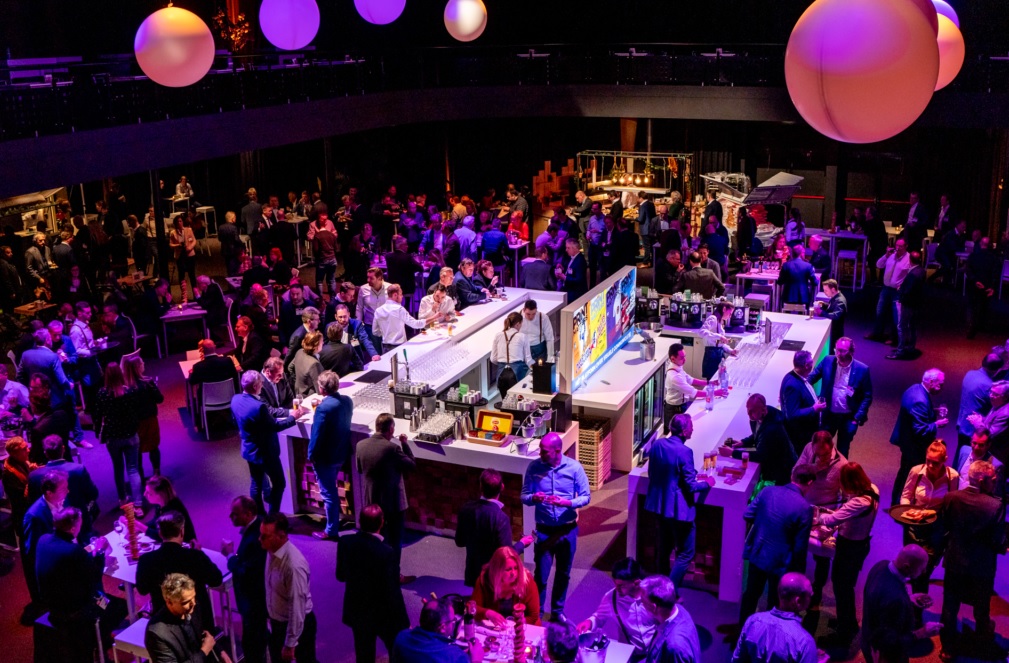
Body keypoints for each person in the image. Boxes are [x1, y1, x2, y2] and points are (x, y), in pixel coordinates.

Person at [937, 461, 1006, 660]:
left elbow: (944, 527)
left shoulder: (951, 497)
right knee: (981, 608)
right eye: (993, 480)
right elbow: (997, 541)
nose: (996, 483)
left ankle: (947, 649)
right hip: (981, 568)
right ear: (982, 481)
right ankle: (982, 647)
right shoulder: (995, 505)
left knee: (949, 606)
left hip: (954, 561)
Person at [521, 431, 591, 621]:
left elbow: (586, 496)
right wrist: (533, 498)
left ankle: (557, 612)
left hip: (567, 530)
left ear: (557, 451)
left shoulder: (575, 468)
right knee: (541, 575)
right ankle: (536, 613)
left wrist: (567, 503)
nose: (540, 454)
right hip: (544, 531)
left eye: (544, 451)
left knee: (563, 574)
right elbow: (524, 496)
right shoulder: (534, 467)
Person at [35, 507, 116, 663]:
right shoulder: (73, 551)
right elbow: (95, 575)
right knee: (111, 605)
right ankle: (99, 646)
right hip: (77, 609)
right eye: (80, 524)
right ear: (73, 528)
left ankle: (100, 643)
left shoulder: (43, 539)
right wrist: (100, 552)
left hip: (52, 604)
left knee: (97, 593)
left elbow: (68, 566)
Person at [738, 464, 815, 621]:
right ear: (810, 483)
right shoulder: (805, 508)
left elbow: (748, 514)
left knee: (751, 594)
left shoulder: (767, 491)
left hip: (758, 552)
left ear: (792, 476)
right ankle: (769, 631)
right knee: (775, 601)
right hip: (780, 562)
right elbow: (800, 548)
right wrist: (799, 574)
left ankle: (743, 629)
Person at [815, 463, 880, 645]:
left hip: (849, 548)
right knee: (847, 587)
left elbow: (830, 520)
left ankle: (843, 635)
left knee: (841, 588)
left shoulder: (859, 502)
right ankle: (849, 623)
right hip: (860, 545)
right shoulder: (873, 489)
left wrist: (816, 514)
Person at [645, 414, 713, 584]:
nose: (693, 429)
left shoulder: (658, 444)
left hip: (659, 506)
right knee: (686, 553)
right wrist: (708, 483)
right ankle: (670, 590)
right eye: (690, 427)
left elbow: (653, 473)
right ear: (684, 432)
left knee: (663, 549)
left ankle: (660, 587)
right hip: (678, 511)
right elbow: (691, 486)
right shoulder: (685, 452)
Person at [337, 504, 409, 663]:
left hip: (358, 611)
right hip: (382, 614)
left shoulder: (345, 542)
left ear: (360, 521)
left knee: (364, 655)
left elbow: (340, 576)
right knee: (395, 652)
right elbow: (392, 592)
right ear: (382, 522)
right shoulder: (387, 553)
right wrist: (404, 622)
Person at [898, 441, 959, 614]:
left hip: (936, 530)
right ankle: (913, 608)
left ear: (945, 460)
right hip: (914, 526)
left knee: (925, 570)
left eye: (936, 462)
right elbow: (906, 496)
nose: (931, 466)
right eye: (928, 461)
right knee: (912, 567)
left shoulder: (952, 476)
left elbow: (952, 503)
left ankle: (916, 609)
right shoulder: (916, 471)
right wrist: (909, 511)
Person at [136, 511, 223, 627]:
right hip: (199, 624)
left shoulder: (146, 560)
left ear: (160, 533)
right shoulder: (195, 557)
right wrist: (199, 554)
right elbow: (216, 579)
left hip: (165, 626)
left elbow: (142, 590)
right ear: (182, 531)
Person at [357, 413, 416, 580]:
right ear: (391, 429)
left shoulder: (360, 445)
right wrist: (405, 444)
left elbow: (360, 469)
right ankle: (394, 576)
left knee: (374, 540)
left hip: (371, 502)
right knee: (395, 542)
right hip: (393, 503)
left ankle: (376, 574)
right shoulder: (392, 449)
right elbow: (412, 465)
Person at [232, 371, 298, 514]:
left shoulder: (235, 400)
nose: (263, 385)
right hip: (266, 453)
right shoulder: (259, 407)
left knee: (256, 484)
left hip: (249, 450)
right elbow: (274, 426)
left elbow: (236, 421)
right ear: (255, 386)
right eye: (261, 383)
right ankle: (272, 516)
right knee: (279, 483)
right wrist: (293, 417)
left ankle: (259, 516)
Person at [455, 467, 533, 587]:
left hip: (473, 573)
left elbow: (459, 542)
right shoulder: (501, 518)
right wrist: (522, 543)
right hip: (493, 577)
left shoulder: (466, 508)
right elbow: (506, 556)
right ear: (502, 487)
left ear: (481, 486)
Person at [861, 545, 940, 663]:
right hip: (883, 655)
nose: (924, 571)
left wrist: (907, 598)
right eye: (921, 568)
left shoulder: (881, 565)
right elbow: (890, 643)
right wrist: (921, 633)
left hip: (867, 637)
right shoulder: (895, 599)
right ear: (907, 567)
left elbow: (880, 602)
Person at [261, 512, 318, 663]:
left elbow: (297, 607)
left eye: (265, 536)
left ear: (281, 536)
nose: (260, 539)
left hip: (298, 628)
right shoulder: (271, 550)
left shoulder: (293, 566)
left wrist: (290, 644)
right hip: (278, 624)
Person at [577, 557, 657, 659]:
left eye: (621, 586)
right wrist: (589, 622)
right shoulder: (611, 598)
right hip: (631, 655)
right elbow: (598, 617)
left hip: (655, 653)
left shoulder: (652, 594)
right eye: (615, 584)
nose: (617, 589)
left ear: (636, 583)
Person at [732, 572, 821, 663]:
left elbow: (737, 660)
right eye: (810, 594)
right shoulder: (805, 642)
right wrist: (812, 655)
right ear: (798, 601)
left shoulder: (753, 621)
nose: (811, 597)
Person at [889, 368, 948, 505]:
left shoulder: (914, 388)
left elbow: (915, 414)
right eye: (940, 384)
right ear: (931, 382)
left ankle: (896, 501)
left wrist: (933, 411)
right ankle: (899, 504)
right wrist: (937, 424)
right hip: (914, 447)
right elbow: (921, 430)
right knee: (910, 476)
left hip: (907, 442)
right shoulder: (920, 401)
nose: (942, 388)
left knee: (904, 472)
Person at [807, 337, 872, 458]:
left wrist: (856, 418)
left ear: (851, 351)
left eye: (843, 351)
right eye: (837, 350)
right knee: (822, 448)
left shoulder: (862, 370)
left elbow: (867, 396)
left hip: (848, 417)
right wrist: (798, 389)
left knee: (843, 451)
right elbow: (811, 378)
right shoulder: (828, 361)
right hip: (829, 415)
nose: (839, 354)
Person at [147, 573, 233, 663]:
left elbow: (205, 635)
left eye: (193, 597)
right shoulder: (157, 633)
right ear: (169, 602)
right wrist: (203, 652)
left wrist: (220, 652)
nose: (193, 603)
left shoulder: (192, 608)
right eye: (186, 602)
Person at [27, 435, 99, 543]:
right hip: (79, 525)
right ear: (63, 449)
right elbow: (93, 494)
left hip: (49, 529)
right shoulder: (78, 469)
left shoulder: (34, 476)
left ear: (45, 453)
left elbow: (33, 502)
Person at [309, 370, 354, 541]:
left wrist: (311, 454)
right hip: (341, 453)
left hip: (325, 458)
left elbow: (316, 435)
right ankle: (333, 523)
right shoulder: (347, 401)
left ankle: (331, 530)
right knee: (332, 492)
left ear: (322, 389)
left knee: (329, 494)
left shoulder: (323, 409)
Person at [222, 496, 268, 663]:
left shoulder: (254, 539)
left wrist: (230, 555)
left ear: (248, 514)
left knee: (252, 642)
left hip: (253, 600)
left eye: (235, 514)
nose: (230, 517)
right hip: (256, 597)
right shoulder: (258, 525)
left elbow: (244, 571)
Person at [95, 361, 144, 510]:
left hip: (113, 437)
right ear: (120, 373)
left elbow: (98, 415)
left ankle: (123, 501)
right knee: (133, 469)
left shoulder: (102, 394)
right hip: (130, 435)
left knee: (118, 468)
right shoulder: (129, 391)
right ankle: (138, 505)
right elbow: (136, 412)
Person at [21, 470, 67, 623]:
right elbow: (33, 551)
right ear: (49, 493)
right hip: (53, 571)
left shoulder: (61, 501)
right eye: (63, 489)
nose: (68, 491)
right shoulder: (34, 516)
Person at [726, 394, 796, 487]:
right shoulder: (760, 415)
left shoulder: (773, 428)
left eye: (752, 411)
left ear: (763, 410)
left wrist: (732, 453)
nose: (748, 414)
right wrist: (744, 442)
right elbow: (759, 433)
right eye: (748, 410)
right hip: (773, 464)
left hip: (781, 472)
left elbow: (759, 455)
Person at [390, 597, 481, 663]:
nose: (454, 623)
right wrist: (476, 660)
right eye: (453, 620)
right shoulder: (455, 656)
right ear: (442, 627)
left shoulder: (401, 637)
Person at [639, 575, 702, 663]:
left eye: (643, 601)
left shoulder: (675, 647)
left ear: (654, 607)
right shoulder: (679, 609)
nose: (641, 603)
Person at [472, 545, 541, 626]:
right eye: (508, 569)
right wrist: (487, 613)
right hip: (496, 627)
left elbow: (533, 615)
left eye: (516, 568)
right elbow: (472, 608)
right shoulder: (485, 579)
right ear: (497, 570)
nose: (513, 573)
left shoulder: (526, 581)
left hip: (522, 627)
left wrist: (518, 623)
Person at [122, 353, 164, 483]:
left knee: (137, 451)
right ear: (138, 367)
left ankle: (140, 477)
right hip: (150, 420)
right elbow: (160, 399)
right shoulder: (148, 383)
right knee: (153, 447)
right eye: (142, 363)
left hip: (135, 424)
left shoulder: (125, 388)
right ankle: (157, 474)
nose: (144, 364)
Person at [780, 350, 827, 455]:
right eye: (811, 363)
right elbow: (792, 414)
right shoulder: (792, 385)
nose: (813, 365)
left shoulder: (795, 376)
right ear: (806, 366)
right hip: (801, 436)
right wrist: (814, 409)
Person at [130, 475, 199, 545]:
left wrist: (140, 526)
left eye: (149, 493)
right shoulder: (160, 504)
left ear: (160, 495)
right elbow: (155, 521)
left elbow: (162, 536)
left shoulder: (172, 510)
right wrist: (139, 527)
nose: (144, 494)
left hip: (184, 545)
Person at [373, 283, 440, 353]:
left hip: (385, 348)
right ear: (395, 295)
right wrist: (434, 317)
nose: (402, 296)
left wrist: (386, 334)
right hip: (399, 347)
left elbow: (375, 331)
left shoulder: (378, 311)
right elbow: (415, 324)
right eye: (401, 294)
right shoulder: (399, 309)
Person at [956, 353, 1001, 456]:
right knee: (972, 460)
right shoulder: (990, 386)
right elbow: (996, 407)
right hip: (975, 430)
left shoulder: (969, 374)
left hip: (962, 424)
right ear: (997, 370)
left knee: (960, 456)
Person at [867, 238, 910, 344]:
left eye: (901, 246)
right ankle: (877, 333)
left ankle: (893, 337)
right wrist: (886, 255)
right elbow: (878, 265)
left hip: (897, 291)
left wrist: (904, 286)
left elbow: (910, 275)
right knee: (880, 311)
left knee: (896, 316)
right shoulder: (891, 255)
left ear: (906, 246)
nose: (898, 248)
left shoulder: (908, 259)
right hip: (886, 288)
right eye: (897, 245)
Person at [662, 343, 710, 434]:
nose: (684, 360)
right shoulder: (674, 376)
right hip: (674, 409)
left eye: (685, 356)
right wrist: (713, 393)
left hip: (681, 405)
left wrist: (709, 383)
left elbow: (690, 380)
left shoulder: (678, 366)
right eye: (682, 358)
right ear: (673, 358)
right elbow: (694, 392)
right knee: (674, 435)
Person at [888, 250, 927, 360]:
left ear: (910, 260)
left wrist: (900, 293)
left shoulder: (912, 274)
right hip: (916, 303)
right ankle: (911, 347)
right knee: (912, 326)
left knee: (901, 326)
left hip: (908, 303)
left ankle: (900, 351)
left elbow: (908, 290)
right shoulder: (922, 271)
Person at [966, 235, 1000, 338]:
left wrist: (975, 280)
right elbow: (995, 273)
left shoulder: (973, 256)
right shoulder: (994, 258)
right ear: (990, 245)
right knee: (984, 305)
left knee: (973, 305)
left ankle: (972, 326)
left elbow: (968, 270)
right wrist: (992, 286)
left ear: (980, 244)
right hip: (987, 285)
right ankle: (981, 325)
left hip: (974, 285)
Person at [492, 311, 533, 395]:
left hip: (501, 374)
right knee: (517, 401)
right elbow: (528, 360)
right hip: (516, 374)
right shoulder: (522, 336)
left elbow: (493, 359)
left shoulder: (498, 335)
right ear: (518, 324)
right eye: (521, 324)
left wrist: (503, 363)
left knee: (505, 401)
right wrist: (536, 368)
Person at [955, 427, 1004, 496]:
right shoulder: (963, 450)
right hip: (958, 499)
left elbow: (997, 495)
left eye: (981, 445)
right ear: (971, 441)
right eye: (974, 443)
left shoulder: (996, 465)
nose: (976, 448)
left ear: (988, 445)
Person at [699, 301, 738, 379]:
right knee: (712, 380)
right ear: (724, 309)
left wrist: (730, 350)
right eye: (730, 313)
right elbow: (702, 332)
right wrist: (719, 337)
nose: (730, 316)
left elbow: (720, 344)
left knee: (720, 379)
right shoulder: (713, 318)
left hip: (719, 355)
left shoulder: (721, 321)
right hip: (711, 355)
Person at [283, 304, 321, 372]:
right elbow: (289, 358)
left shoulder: (312, 331)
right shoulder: (298, 336)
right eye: (317, 320)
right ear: (309, 321)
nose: (319, 321)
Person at [813, 279, 847, 353]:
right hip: (832, 330)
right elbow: (832, 307)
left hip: (835, 332)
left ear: (833, 289)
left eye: (826, 290)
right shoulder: (835, 297)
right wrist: (824, 304)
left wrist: (821, 312)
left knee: (833, 351)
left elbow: (836, 315)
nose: (824, 292)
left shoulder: (840, 301)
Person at [289, 331, 323, 398]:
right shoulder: (314, 364)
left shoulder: (299, 352)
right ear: (316, 346)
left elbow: (290, 367)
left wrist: (299, 382)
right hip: (309, 396)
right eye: (322, 342)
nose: (323, 343)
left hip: (298, 392)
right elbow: (319, 389)